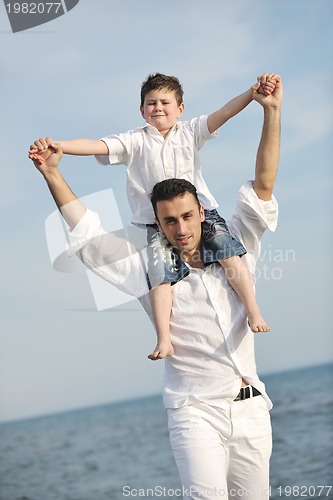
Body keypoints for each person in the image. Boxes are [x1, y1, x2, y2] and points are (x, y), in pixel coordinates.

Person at [29, 74, 283, 499]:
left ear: (201, 212)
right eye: (168, 220)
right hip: (194, 412)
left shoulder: (237, 245)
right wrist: (52, 173)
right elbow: (90, 237)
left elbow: (263, 185)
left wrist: (271, 112)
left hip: (252, 406)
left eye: (186, 217)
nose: (180, 228)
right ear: (156, 223)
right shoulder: (147, 268)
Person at [29, 72, 276, 362]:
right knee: (159, 279)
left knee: (231, 256)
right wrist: (60, 147)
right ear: (142, 110)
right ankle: (164, 337)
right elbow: (96, 145)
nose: (158, 108)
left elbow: (224, 113)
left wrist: (252, 94)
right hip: (154, 226)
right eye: (151, 103)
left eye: (165, 102)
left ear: (180, 108)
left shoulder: (191, 131)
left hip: (204, 214)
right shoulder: (133, 140)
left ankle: (253, 310)